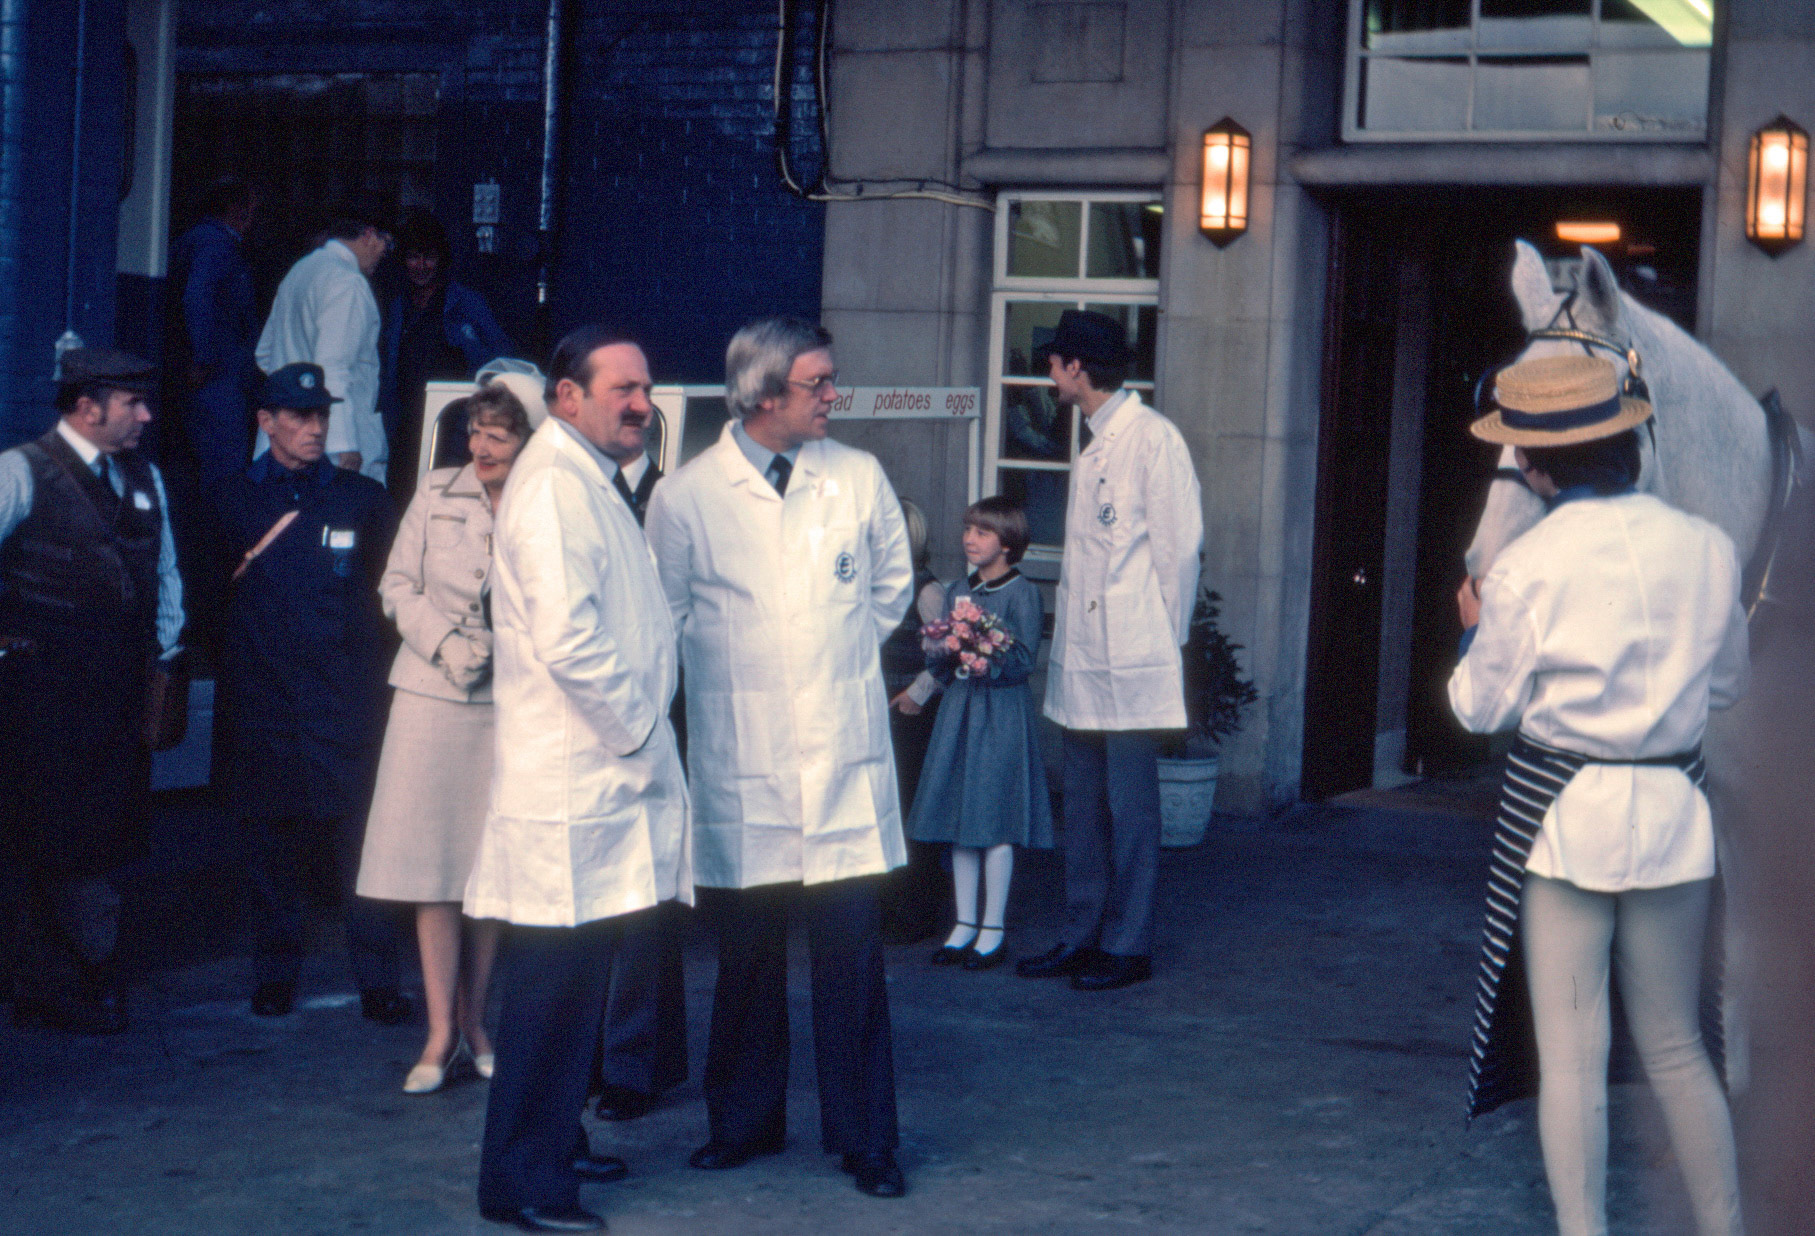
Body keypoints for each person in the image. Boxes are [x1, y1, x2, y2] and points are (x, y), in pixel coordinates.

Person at [1450, 354, 1748, 1236]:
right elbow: (1726, 685)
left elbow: (1479, 710)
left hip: (1562, 821)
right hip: (1674, 817)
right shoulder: (1708, 547)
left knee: (1574, 1064)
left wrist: (1472, 636)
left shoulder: (1527, 563)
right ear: (1627, 441)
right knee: (1677, 1047)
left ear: (1537, 467)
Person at [645, 316, 913, 1200]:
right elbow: (667, 620)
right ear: (764, 395)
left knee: (851, 959)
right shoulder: (687, 498)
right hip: (741, 757)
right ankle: (744, 1123)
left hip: (839, 755)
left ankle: (865, 1138)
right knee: (747, 959)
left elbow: (887, 592)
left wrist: (823, 665)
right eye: (817, 383)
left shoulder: (859, 477)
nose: (833, 394)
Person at [465, 327, 690, 1235]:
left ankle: (552, 1140)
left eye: (644, 388)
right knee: (551, 1001)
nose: (639, 403)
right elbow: (570, 642)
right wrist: (639, 732)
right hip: (577, 780)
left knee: (574, 992)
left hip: (599, 781)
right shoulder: (556, 490)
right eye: (620, 388)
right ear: (565, 397)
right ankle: (523, 1182)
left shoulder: (582, 480)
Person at [356, 383, 537, 1094]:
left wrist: (499, 649)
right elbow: (395, 587)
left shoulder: (542, 500)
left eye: (499, 435)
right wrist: (446, 647)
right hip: (432, 694)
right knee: (432, 870)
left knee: (484, 870)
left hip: (508, 700)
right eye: (475, 432)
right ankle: (437, 1033)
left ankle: (476, 1023)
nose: (482, 447)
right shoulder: (435, 491)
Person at [1018, 308, 1202, 993]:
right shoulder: (1094, 440)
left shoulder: (1153, 440)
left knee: (1131, 810)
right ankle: (1081, 932)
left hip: (1132, 654)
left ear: (1076, 369)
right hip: (1085, 659)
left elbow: (1179, 553)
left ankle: (1128, 944)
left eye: (1053, 362)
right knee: (1084, 804)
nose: (1048, 373)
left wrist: (1161, 646)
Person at [214, 362, 405, 1024]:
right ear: (265, 423)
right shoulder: (231, 499)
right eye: (298, 416)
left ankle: (379, 980)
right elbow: (213, 599)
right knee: (272, 854)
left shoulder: (361, 498)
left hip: (345, 705)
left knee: (362, 850)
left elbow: (392, 593)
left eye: (321, 414)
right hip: (266, 708)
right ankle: (275, 975)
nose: (315, 427)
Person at [0, 349, 183, 1033]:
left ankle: (80, 978)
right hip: (39, 707)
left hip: (116, 705)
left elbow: (167, 581)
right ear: (86, 406)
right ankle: (52, 984)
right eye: (131, 402)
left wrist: (166, 664)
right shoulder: (21, 472)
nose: (145, 414)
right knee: (45, 841)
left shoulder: (146, 478)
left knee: (103, 842)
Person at [588, 416, 690, 1125]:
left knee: (644, 904)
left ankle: (635, 1063)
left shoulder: (674, 499)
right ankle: (596, 1055)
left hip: (658, 716)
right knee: (591, 899)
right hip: (585, 723)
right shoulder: (579, 494)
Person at [906, 497, 1052, 970]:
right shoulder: (957, 590)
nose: (970, 539)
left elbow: (1024, 660)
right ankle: (963, 922)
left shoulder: (1022, 592)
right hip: (961, 712)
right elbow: (941, 663)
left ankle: (993, 927)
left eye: (982, 532)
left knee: (995, 817)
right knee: (959, 819)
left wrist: (985, 648)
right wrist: (945, 648)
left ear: (1007, 544)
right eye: (968, 529)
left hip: (1000, 713)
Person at [378, 209, 515, 509]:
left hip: (452, 421)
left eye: (430, 257)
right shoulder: (398, 307)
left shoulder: (466, 303)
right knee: (402, 499)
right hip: (405, 424)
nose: (421, 266)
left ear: (442, 260)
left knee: (446, 499)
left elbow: (503, 358)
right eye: (414, 257)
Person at [256, 206, 391, 481]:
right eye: (387, 244)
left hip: (283, 438)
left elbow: (264, 353)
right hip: (327, 446)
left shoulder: (300, 270)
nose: (384, 254)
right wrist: (343, 444)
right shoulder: (348, 282)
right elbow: (333, 366)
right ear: (369, 235)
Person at [879, 497, 949, 946]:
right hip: (878, 703)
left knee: (910, 809)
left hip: (910, 710)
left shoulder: (926, 589)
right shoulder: (875, 583)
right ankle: (887, 905)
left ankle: (918, 907)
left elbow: (947, 655)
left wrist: (916, 695)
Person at [170, 177, 260, 486]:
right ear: (237, 210)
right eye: (252, 209)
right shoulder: (216, 244)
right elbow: (198, 296)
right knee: (224, 467)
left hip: (213, 372)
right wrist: (203, 357)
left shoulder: (197, 238)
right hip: (216, 375)